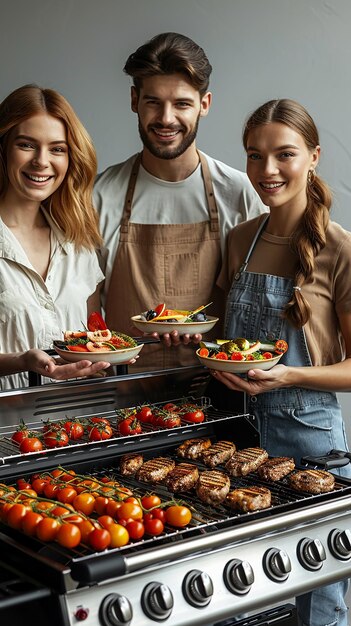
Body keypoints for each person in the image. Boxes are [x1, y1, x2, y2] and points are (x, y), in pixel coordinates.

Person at [214, 98, 351, 626]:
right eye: (254, 156)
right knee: (239, 603)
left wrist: (287, 376)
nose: (267, 171)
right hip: (236, 441)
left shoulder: (339, 250)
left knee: (317, 605)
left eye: (284, 155)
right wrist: (200, 352)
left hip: (310, 444)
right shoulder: (239, 240)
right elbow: (226, 342)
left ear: (313, 157)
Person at [94, 32, 265, 371]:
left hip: (220, 391)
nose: (166, 118)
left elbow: (256, 305)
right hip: (123, 398)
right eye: (153, 101)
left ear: (205, 104)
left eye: (182, 103)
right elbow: (84, 312)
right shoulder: (100, 195)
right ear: (134, 100)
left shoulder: (240, 193)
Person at [0, 84, 111, 390]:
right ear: (3, 148)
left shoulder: (78, 242)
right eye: (26, 144)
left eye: (57, 149)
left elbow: (93, 333)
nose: (41, 160)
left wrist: (111, 354)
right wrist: (22, 361)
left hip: (78, 424)